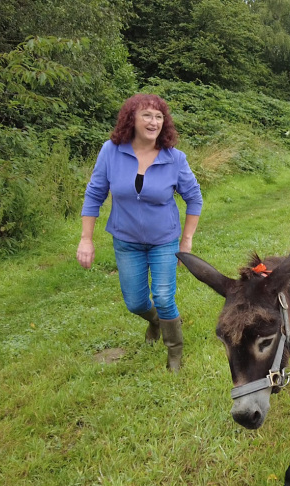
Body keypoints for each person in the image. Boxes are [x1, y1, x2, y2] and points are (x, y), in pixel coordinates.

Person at [76, 93, 203, 372]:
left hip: (164, 241)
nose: (153, 121)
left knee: (163, 296)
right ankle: (157, 321)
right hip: (126, 241)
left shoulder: (175, 158)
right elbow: (94, 194)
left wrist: (187, 240)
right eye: (146, 114)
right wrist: (86, 239)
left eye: (159, 116)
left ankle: (174, 353)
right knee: (135, 302)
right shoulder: (111, 151)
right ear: (131, 119)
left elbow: (194, 198)